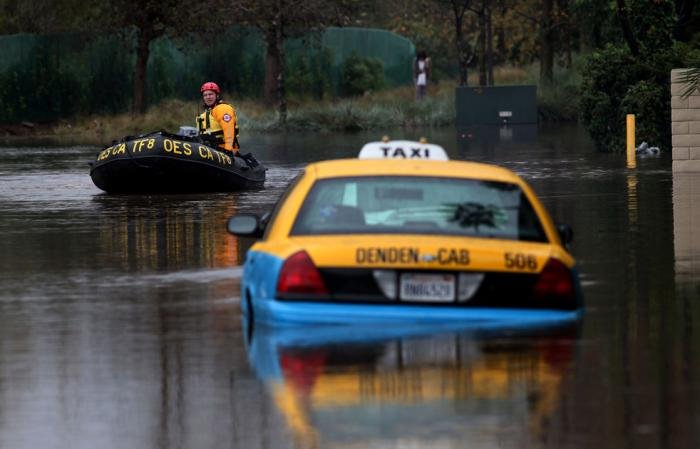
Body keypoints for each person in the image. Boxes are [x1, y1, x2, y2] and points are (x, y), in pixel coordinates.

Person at [196, 81, 240, 154]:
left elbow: (229, 131)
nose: (208, 97)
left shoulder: (222, 108)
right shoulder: (206, 113)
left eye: (210, 94)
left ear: (217, 95)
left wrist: (228, 150)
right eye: (205, 95)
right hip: (210, 150)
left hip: (223, 151)